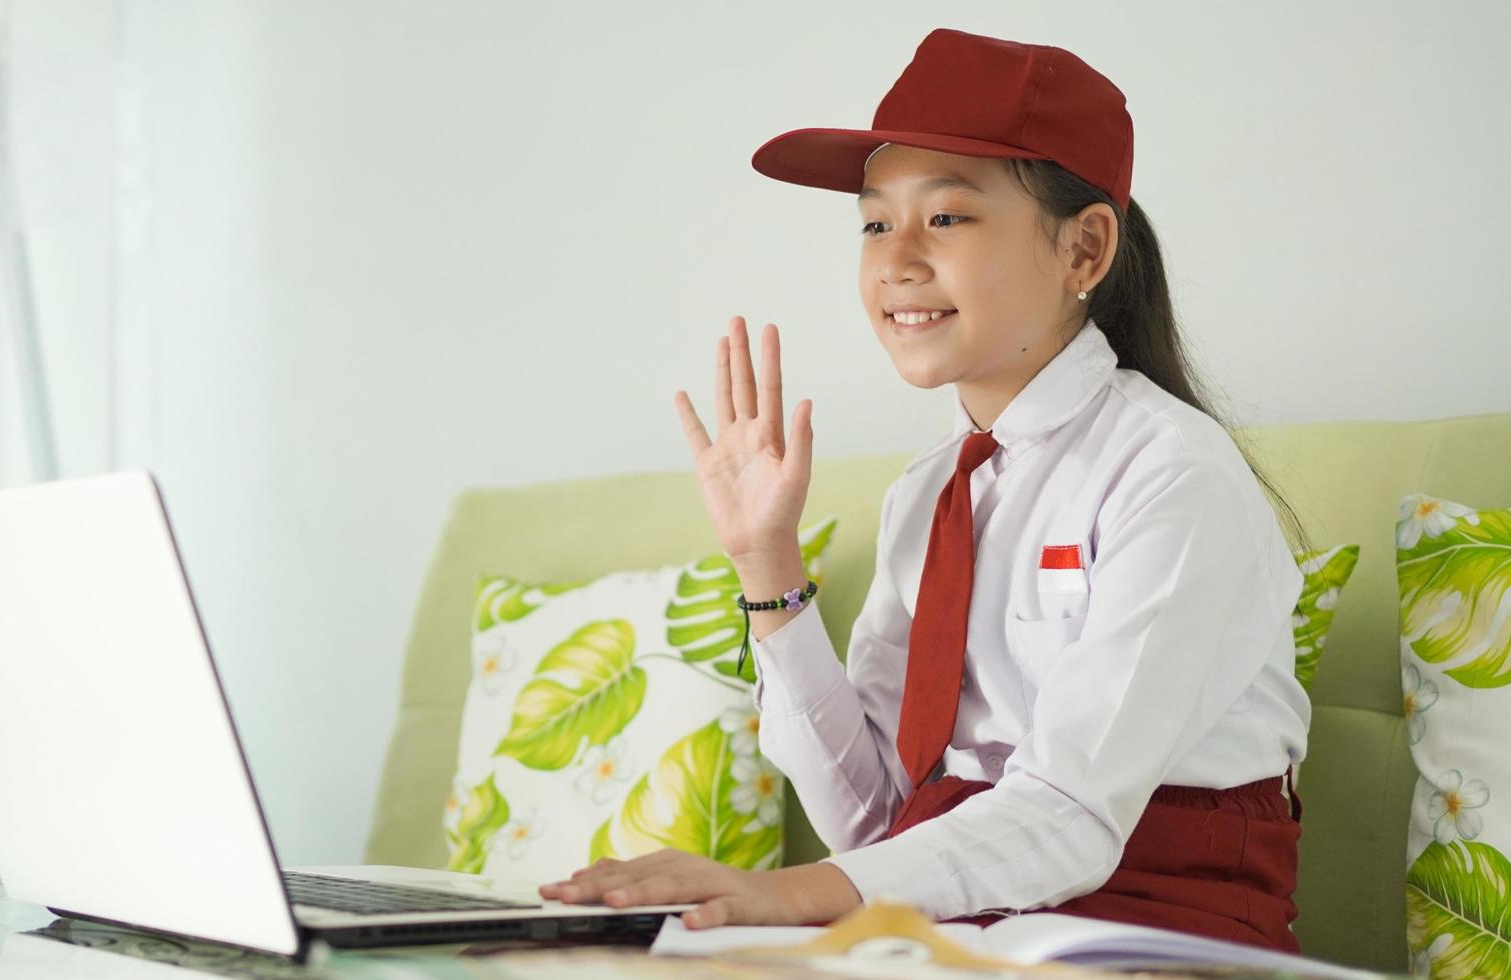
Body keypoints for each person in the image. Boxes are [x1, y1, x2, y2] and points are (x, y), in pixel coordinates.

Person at [538, 27, 1314, 953]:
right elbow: (875, 823)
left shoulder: (1172, 476)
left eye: (945, 217)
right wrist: (765, 562)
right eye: (874, 222)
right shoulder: (928, 496)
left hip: (1153, 923)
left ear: (1084, 250)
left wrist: (783, 894)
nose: (896, 258)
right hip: (962, 919)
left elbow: (1069, 814)